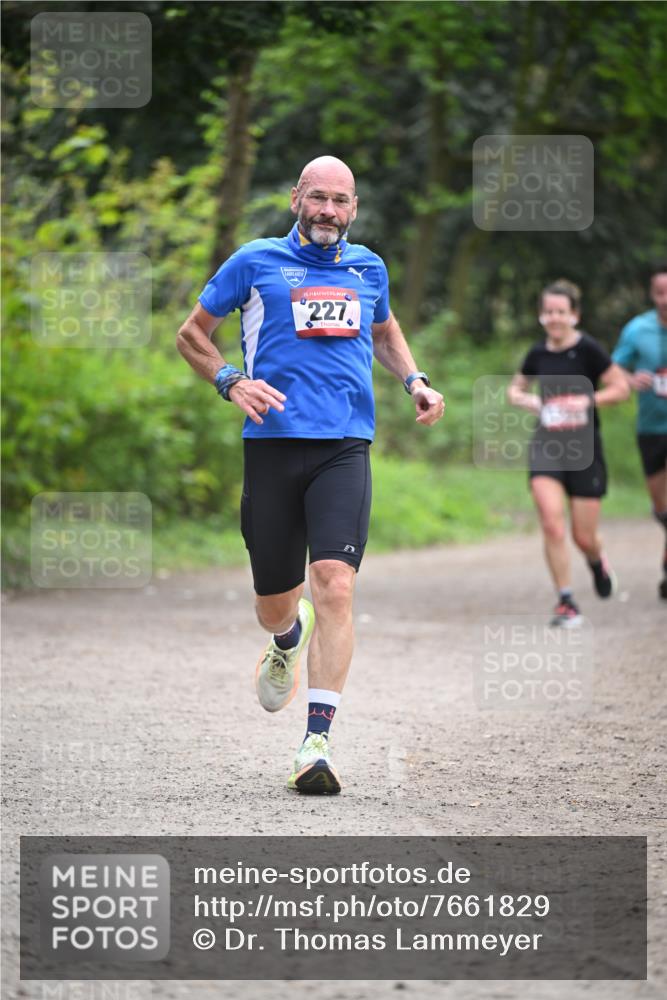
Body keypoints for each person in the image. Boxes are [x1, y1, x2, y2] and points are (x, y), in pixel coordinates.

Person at [176, 156, 444, 794]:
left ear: (354, 208)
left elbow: (384, 329)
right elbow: (192, 334)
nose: (329, 211)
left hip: (345, 446)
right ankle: (285, 637)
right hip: (271, 445)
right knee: (275, 602)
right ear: (297, 197)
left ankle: (315, 744)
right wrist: (229, 378)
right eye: (318, 198)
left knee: (336, 585)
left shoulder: (368, 267)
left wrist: (415, 379)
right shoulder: (254, 260)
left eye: (341, 201)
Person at [508, 280, 629, 626]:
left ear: (574, 315)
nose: (554, 318)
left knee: (583, 536)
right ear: (541, 315)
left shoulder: (589, 349)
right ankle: (566, 600)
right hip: (547, 445)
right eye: (548, 312)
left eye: (561, 311)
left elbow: (620, 388)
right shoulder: (537, 353)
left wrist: (586, 399)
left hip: (585, 449)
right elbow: (515, 389)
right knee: (551, 522)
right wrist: (526, 399)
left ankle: (596, 559)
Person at [612, 263, 667, 599]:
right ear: (651, 294)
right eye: (660, 292)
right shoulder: (637, 329)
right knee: (661, 507)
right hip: (651, 428)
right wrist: (631, 380)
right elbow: (613, 368)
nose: (665, 299)